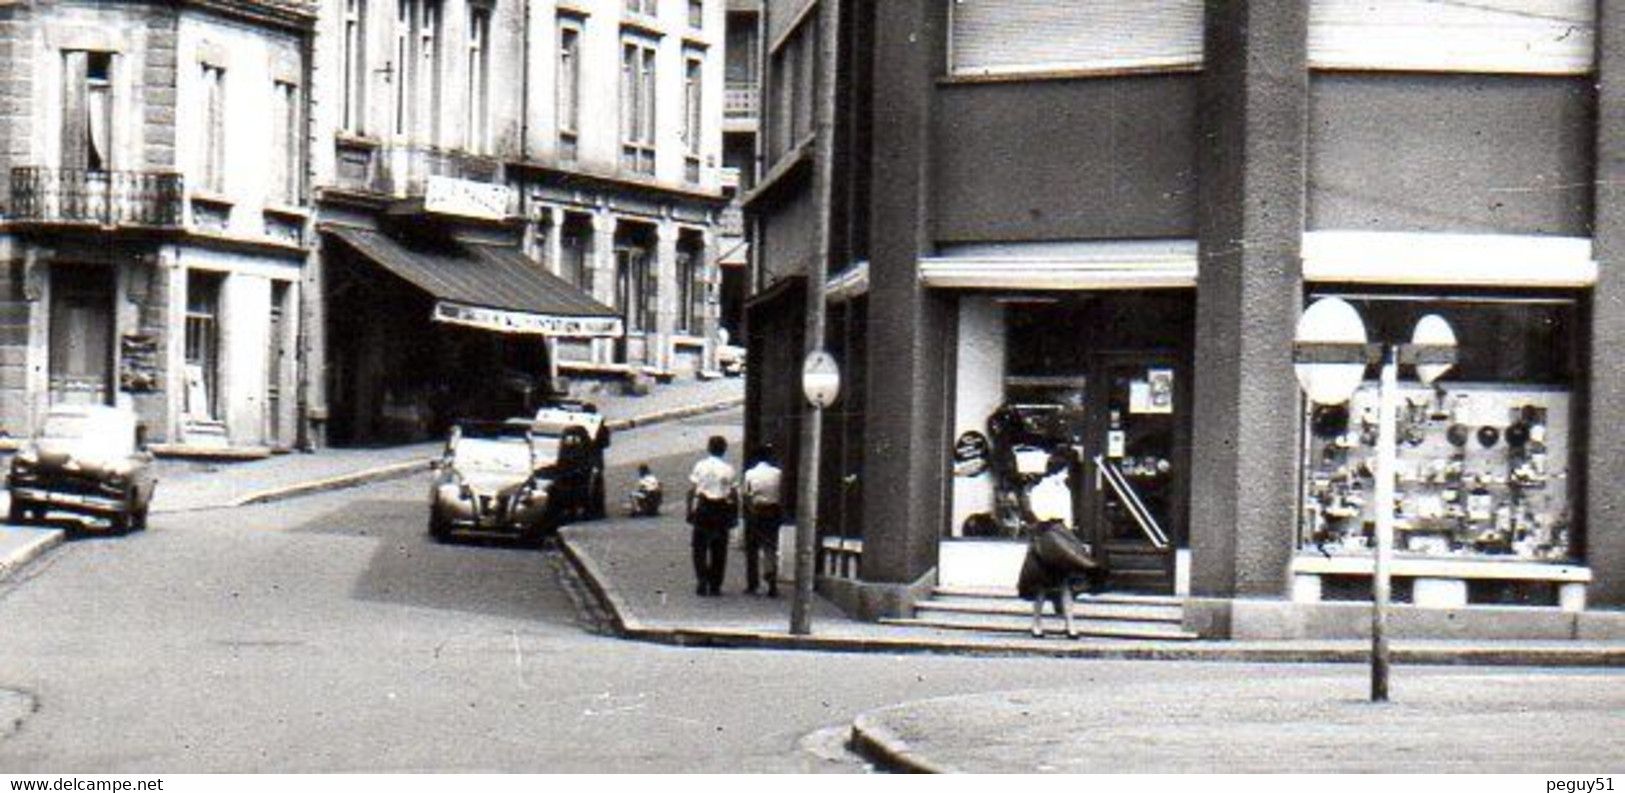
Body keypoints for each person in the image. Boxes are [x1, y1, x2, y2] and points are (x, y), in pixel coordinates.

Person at [1016, 452, 1099, 639]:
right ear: (1056, 471)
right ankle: (1036, 624)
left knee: (1066, 584)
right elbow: (1037, 515)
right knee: (1042, 584)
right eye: (1064, 471)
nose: (1067, 475)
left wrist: (1069, 538)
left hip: (1061, 537)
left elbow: (1068, 517)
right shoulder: (1039, 490)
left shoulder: (1064, 490)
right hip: (1045, 537)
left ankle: (1070, 624)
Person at [686, 435, 738, 597]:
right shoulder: (728, 469)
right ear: (724, 450)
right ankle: (715, 584)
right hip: (721, 508)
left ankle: (702, 579)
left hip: (703, 507)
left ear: (709, 448)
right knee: (719, 549)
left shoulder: (700, 466)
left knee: (699, 547)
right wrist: (734, 515)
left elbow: (692, 490)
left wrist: (689, 510)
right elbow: (733, 494)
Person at [741, 446, 785, 597]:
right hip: (773, 510)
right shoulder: (778, 473)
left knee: (752, 548)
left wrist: (749, 510)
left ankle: (752, 583)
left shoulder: (750, 473)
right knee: (770, 546)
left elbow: (746, 495)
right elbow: (782, 493)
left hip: (756, 510)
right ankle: (771, 580)